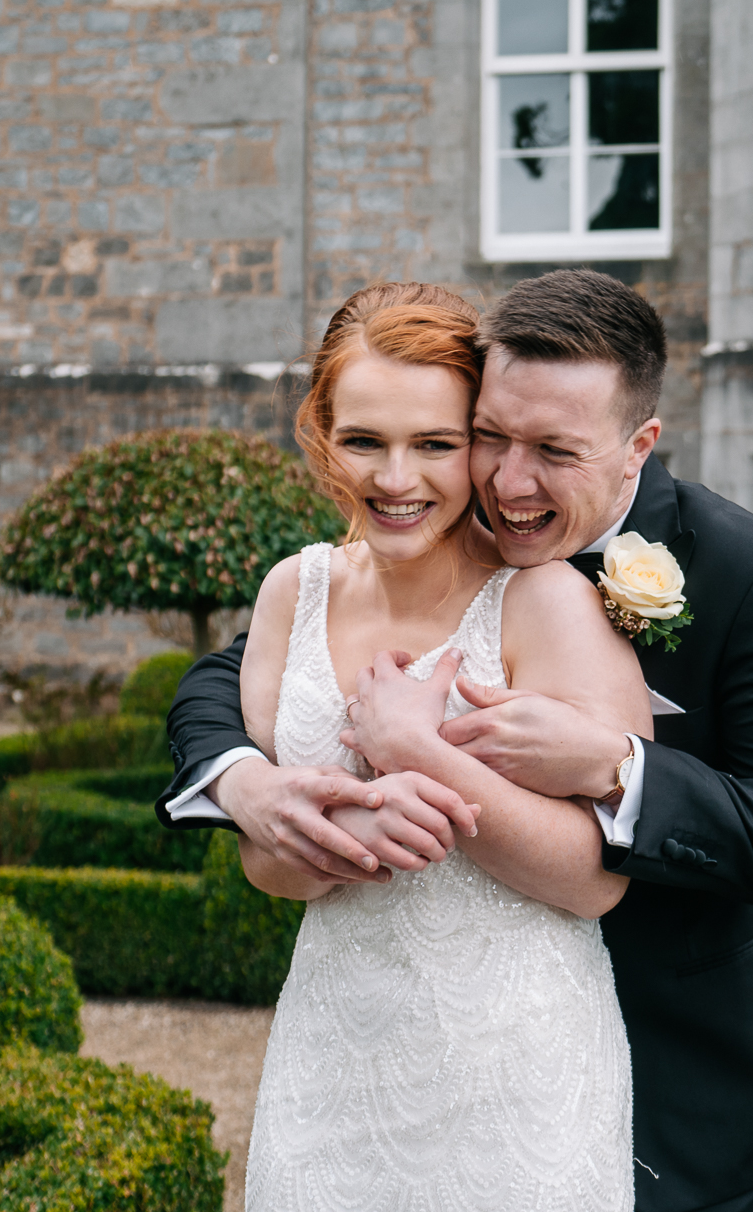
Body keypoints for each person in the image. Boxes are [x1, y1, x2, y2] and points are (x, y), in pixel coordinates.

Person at [161, 269, 753, 1212]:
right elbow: (233, 676)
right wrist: (242, 783)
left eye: (553, 451)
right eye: (489, 437)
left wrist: (619, 769)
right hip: (368, 1056)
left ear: (637, 448)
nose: (508, 482)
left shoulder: (740, 573)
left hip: (674, 1073)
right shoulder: (386, 546)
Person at [227, 281, 645, 1210]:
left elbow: (599, 880)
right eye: (364, 440)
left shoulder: (546, 601)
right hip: (332, 1056)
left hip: (516, 1078)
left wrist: (421, 755)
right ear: (322, 431)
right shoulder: (290, 595)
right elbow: (264, 860)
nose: (396, 478)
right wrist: (339, 835)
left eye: (436, 445)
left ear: (479, 446)